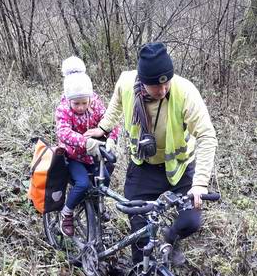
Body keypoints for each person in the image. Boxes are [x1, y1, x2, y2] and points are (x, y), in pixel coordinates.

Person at [84, 42, 217, 264]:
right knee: (139, 227)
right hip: (144, 167)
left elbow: (206, 136)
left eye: (166, 84)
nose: (163, 90)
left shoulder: (185, 92)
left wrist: (200, 183)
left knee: (190, 222)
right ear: (143, 81)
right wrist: (104, 127)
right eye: (156, 86)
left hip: (180, 169)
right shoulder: (127, 82)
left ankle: (170, 239)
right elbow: (117, 101)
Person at [55, 56, 119, 237]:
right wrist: (85, 142)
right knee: (82, 184)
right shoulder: (63, 110)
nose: (81, 107)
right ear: (69, 100)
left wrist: (111, 138)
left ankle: (97, 206)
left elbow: (111, 122)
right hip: (73, 156)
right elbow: (63, 133)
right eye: (77, 103)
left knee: (104, 180)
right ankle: (67, 212)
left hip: (94, 156)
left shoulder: (96, 104)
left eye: (85, 102)